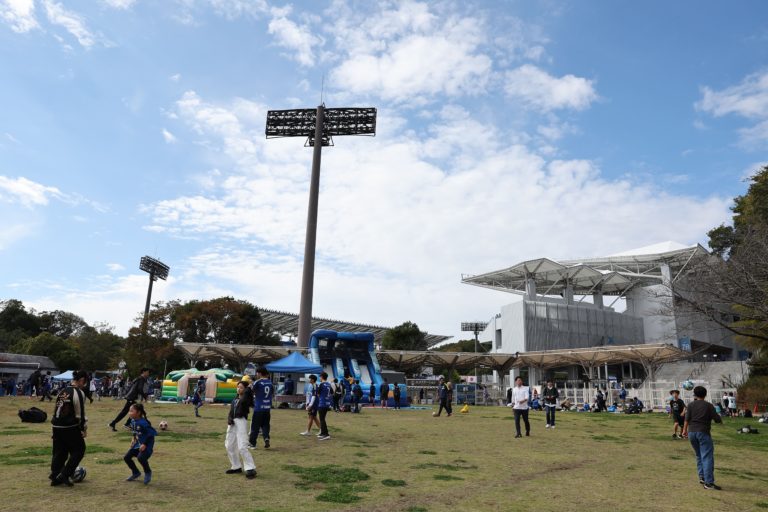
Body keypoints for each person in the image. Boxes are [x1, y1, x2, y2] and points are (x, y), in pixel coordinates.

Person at [50, 370, 89, 487]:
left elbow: (56, 410)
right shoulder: (78, 393)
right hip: (69, 426)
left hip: (56, 425)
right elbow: (80, 414)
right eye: (84, 382)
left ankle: (55, 475)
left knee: (60, 451)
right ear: (81, 380)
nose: (84, 385)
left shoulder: (62, 391)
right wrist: (83, 429)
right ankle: (64, 474)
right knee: (79, 450)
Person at [682, 385, 722, 490]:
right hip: (703, 432)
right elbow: (717, 419)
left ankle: (702, 477)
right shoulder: (708, 406)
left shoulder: (690, 405)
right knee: (707, 456)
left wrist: (684, 430)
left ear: (694, 395)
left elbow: (686, 419)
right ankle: (708, 483)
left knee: (699, 455)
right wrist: (719, 419)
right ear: (705, 394)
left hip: (691, 432)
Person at [225, 381, 257, 479]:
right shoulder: (235, 399)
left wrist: (248, 388)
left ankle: (250, 468)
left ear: (246, 389)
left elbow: (244, 401)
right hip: (233, 423)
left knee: (242, 446)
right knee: (229, 445)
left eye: (241, 387)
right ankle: (236, 466)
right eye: (238, 387)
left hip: (241, 421)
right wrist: (230, 418)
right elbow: (231, 411)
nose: (238, 389)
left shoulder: (245, 399)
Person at [124, 403, 157, 484]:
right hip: (138, 444)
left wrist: (145, 444)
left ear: (138, 413)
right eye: (129, 411)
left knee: (141, 458)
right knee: (126, 457)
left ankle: (148, 472)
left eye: (131, 411)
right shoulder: (133, 421)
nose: (129, 413)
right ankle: (136, 472)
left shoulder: (143, 423)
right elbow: (135, 431)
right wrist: (133, 439)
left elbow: (152, 433)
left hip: (147, 445)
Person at [249, 367, 272, 449]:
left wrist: (250, 386)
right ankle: (266, 438)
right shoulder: (270, 382)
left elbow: (251, 391)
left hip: (259, 408)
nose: (256, 375)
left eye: (257, 373)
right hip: (267, 408)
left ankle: (252, 444)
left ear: (259, 373)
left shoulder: (258, 382)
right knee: (265, 425)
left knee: (255, 426)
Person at [316, 372, 332, 440]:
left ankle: (326, 434)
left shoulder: (321, 384)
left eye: (320, 376)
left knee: (322, 419)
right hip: (327, 403)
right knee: (322, 419)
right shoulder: (329, 384)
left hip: (322, 403)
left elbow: (318, 393)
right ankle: (323, 433)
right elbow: (332, 392)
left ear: (322, 377)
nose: (320, 378)